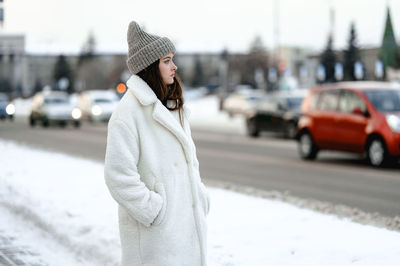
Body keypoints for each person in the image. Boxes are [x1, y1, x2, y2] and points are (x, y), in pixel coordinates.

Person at [104, 21, 210, 266]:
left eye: (173, 59)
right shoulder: (127, 113)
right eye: (167, 61)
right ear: (150, 66)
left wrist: (199, 196)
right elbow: (118, 176)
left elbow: (190, 164)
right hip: (156, 239)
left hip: (186, 229)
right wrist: (154, 211)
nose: (174, 66)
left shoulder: (174, 108)